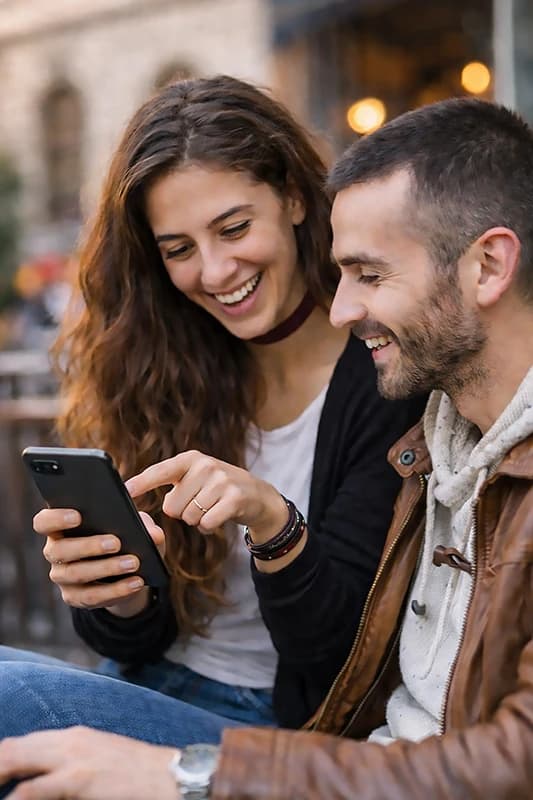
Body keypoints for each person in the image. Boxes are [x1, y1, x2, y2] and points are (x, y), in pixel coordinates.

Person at [1, 95, 532, 799]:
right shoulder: (167, 367)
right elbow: (134, 642)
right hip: (160, 683)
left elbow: (347, 659)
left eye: (233, 229)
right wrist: (116, 596)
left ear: (293, 199)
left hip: (285, 729)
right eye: (178, 249)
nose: (215, 271)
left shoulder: (402, 379)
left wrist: (274, 523)